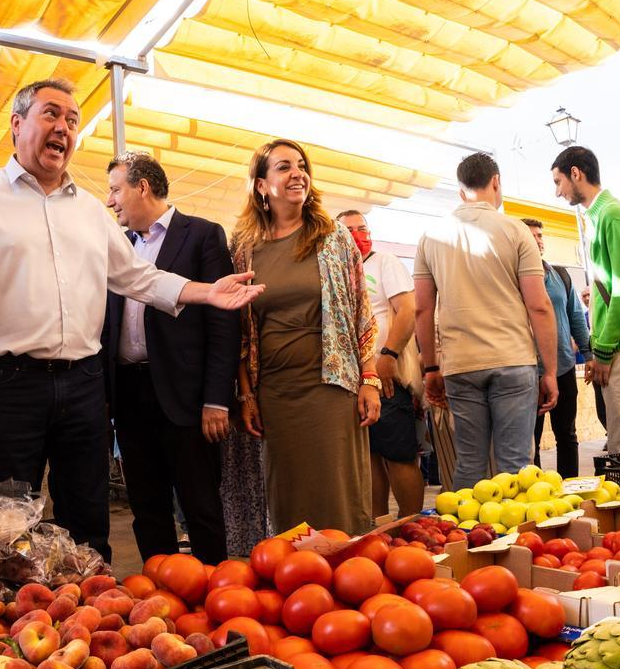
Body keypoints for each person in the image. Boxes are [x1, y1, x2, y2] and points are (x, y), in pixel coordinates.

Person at [0, 78, 262, 563]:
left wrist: (205, 291)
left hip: (83, 386)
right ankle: (17, 625)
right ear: (17, 124)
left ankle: (90, 620)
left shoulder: (92, 212)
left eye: (72, 121)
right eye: (51, 114)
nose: (64, 128)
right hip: (9, 388)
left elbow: (138, 276)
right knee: (9, 523)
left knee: (88, 520)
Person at [234, 139, 381, 534]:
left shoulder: (334, 237)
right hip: (276, 393)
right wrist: (246, 394)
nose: (297, 173)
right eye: (283, 167)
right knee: (288, 496)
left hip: (332, 386)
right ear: (262, 185)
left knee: (339, 492)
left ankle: (350, 580)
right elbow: (241, 332)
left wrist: (369, 379)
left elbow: (359, 311)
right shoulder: (245, 249)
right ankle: (298, 584)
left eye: (301, 165)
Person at [101, 152, 239, 565]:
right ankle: (161, 592)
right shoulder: (120, 247)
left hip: (186, 397)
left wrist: (217, 399)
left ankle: (217, 594)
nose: (110, 201)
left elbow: (223, 323)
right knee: (146, 506)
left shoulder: (201, 235)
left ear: (142, 187)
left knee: (199, 505)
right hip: (129, 393)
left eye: (115, 189)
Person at [415, 153, 557, 488]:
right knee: (515, 464)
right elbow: (539, 306)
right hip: (513, 359)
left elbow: (422, 308)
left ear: (460, 191)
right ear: (496, 182)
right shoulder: (516, 231)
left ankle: (468, 538)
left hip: (461, 363)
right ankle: (519, 540)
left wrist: (430, 368)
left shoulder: (431, 236)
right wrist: (549, 371)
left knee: (469, 462)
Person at [551, 146, 620, 453]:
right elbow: (614, 289)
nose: (558, 192)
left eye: (558, 182)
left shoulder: (610, 215)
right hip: (619, 346)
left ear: (576, 173)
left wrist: (602, 350)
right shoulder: (601, 216)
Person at [337, 210, 425, 516]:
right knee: (368, 457)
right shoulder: (336, 271)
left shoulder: (384, 262)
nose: (358, 235)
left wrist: (389, 355)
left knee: (398, 454)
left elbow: (407, 309)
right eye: (349, 230)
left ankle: (412, 522)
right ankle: (377, 528)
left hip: (384, 374)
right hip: (351, 380)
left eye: (362, 228)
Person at [521, 218, 591, 477]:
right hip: (529, 372)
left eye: (540, 235)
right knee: (531, 442)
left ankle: (570, 489)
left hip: (563, 367)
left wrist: (590, 354)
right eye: (531, 236)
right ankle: (538, 494)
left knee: (567, 435)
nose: (538, 241)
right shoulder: (511, 278)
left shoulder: (559, 274)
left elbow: (576, 317)